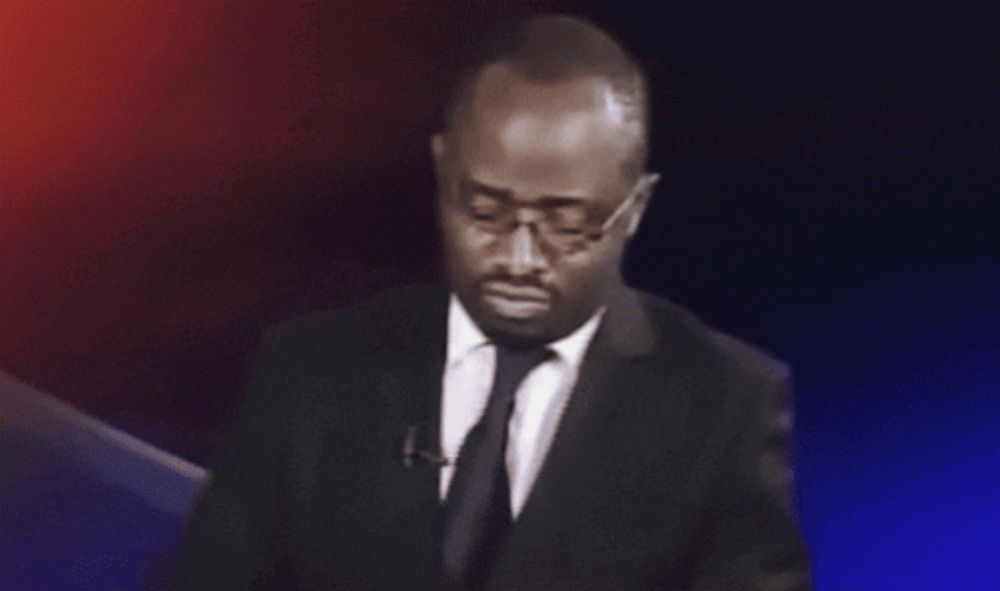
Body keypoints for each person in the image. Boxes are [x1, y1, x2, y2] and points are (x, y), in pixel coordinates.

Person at [170, 14, 810, 591]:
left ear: (634, 207)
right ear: (443, 169)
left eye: (567, 222)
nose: (520, 257)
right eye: (485, 210)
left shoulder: (723, 406)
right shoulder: (311, 371)